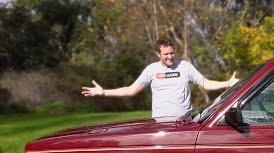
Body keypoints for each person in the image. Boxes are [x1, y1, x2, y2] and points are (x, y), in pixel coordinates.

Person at [82, 38, 240, 121]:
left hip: (185, 122)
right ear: (158, 54)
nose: (170, 56)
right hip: (162, 124)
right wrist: (103, 93)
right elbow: (131, 90)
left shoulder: (185, 67)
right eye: (166, 54)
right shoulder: (151, 70)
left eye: (172, 53)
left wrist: (227, 83)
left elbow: (205, 83)